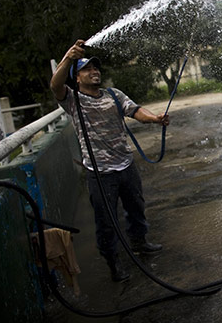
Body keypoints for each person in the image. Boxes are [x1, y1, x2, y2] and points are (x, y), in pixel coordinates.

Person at [50, 40, 169, 282]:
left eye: (96, 68)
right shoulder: (72, 100)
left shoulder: (114, 94)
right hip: (100, 172)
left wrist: (155, 119)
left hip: (126, 164)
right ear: (77, 77)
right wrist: (68, 57)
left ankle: (139, 242)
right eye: (86, 69)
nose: (94, 71)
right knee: (106, 221)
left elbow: (135, 110)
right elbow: (55, 84)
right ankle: (113, 261)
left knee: (136, 208)